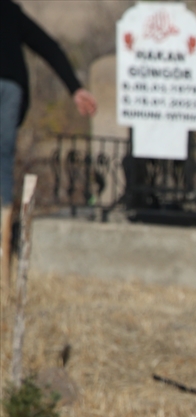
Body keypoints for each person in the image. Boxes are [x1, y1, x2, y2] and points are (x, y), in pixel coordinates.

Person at [1, 0, 97, 266]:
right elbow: (47, 46)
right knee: (3, 162)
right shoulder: (9, 10)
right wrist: (75, 87)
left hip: (10, 89)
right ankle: (4, 245)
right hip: (12, 88)